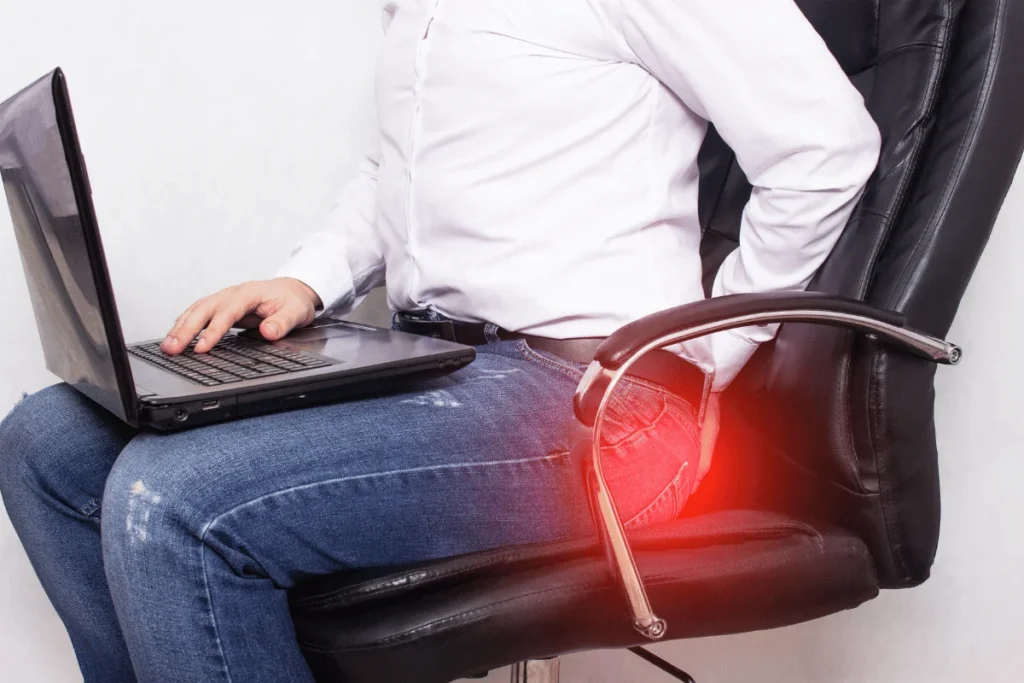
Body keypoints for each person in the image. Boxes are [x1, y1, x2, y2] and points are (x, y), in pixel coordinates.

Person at [0, 2, 880, 681]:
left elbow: (826, 144)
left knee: (172, 501)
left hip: (599, 404)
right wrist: (308, 280)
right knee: (49, 445)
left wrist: (703, 353)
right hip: (434, 368)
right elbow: (399, 169)